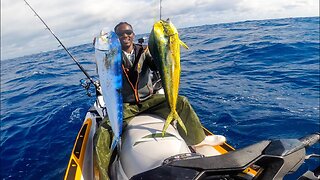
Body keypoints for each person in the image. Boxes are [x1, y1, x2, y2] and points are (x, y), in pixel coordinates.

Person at [94, 22, 206, 179]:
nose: (125, 36)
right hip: (127, 105)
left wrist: (165, 47)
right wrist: (100, 49)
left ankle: (196, 141)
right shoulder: (111, 54)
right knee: (104, 129)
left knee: (181, 102)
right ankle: (104, 173)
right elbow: (103, 69)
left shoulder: (145, 50)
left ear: (133, 35)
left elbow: (158, 65)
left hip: (149, 100)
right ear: (116, 39)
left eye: (128, 32)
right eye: (120, 34)